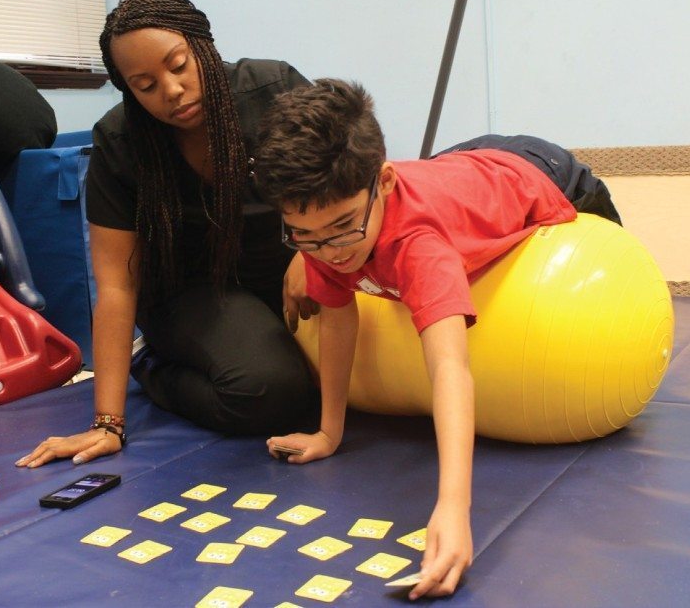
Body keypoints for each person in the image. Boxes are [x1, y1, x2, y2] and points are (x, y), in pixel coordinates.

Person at [254, 79, 619, 599]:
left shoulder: (420, 246)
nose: (329, 252)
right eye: (304, 236)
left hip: (543, 171)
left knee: (617, 267)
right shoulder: (334, 226)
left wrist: (453, 506)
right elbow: (337, 315)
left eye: (340, 229)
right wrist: (329, 432)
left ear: (382, 182)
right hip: (463, 163)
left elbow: (450, 367)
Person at [16, 0, 319, 469]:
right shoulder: (120, 142)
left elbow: (344, 182)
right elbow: (116, 284)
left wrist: (312, 253)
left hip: (290, 271)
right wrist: (107, 423)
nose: (172, 90)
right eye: (145, 85)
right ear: (128, 91)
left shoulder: (273, 88)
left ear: (203, 45)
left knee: (344, 381)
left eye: (179, 65)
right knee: (272, 393)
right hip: (196, 292)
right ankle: (152, 365)